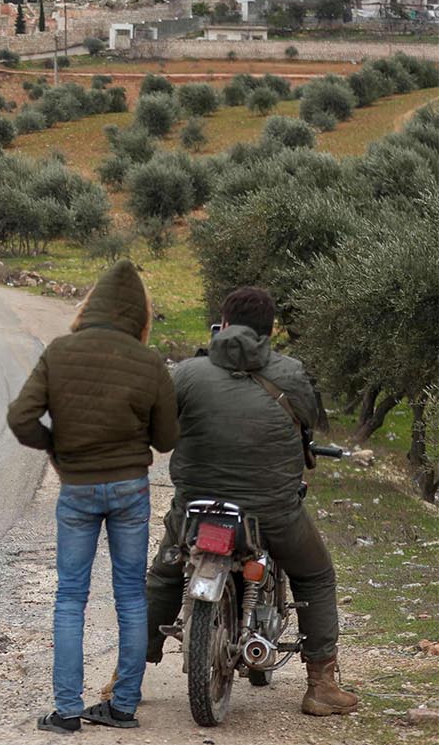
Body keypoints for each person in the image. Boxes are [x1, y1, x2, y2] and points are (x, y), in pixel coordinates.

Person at [145, 286, 358, 717]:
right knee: (315, 574)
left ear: (222, 323)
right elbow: (309, 424)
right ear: (270, 329)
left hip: (195, 509)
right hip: (270, 511)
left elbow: (161, 429)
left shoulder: (186, 372)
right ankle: (320, 684)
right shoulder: (292, 373)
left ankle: (127, 669)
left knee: (166, 573)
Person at [7, 260, 179, 734]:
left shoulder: (60, 352)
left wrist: (55, 447)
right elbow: (166, 440)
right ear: (138, 315)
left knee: (70, 598)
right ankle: (123, 706)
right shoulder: (149, 363)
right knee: (129, 595)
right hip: (130, 489)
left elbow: (21, 417)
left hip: (78, 488)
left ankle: (65, 712)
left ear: (92, 305)